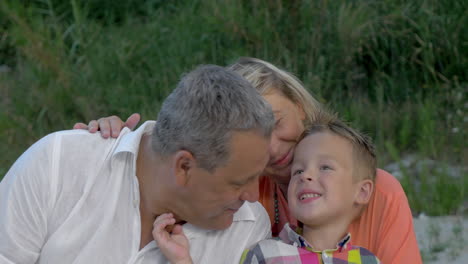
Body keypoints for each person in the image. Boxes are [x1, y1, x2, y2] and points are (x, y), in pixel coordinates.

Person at [74, 57, 422, 264]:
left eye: (277, 123)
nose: (270, 149)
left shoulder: (377, 192)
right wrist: (120, 137)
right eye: (255, 138)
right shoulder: (242, 189)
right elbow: (178, 163)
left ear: (299, 105)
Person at [0, 65, 275, 263]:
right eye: (238, 182)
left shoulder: (247, 228)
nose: (253, 195)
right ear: (184, 167)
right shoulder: (59, 163)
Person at [152, 112, 382, 264]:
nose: (306, 176)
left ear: (361, 192)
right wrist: (183, 261)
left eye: (325, 167)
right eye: (298, 171)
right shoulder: (266, 254)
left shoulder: (369, 260)